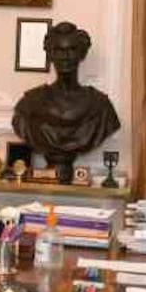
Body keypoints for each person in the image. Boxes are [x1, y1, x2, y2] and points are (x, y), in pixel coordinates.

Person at [12, 22, 121, 181]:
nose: (65, 57)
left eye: (72, 50)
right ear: (50, 54)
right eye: (59, 50)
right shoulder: (29, 104)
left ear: (82, 54)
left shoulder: (100, 106)